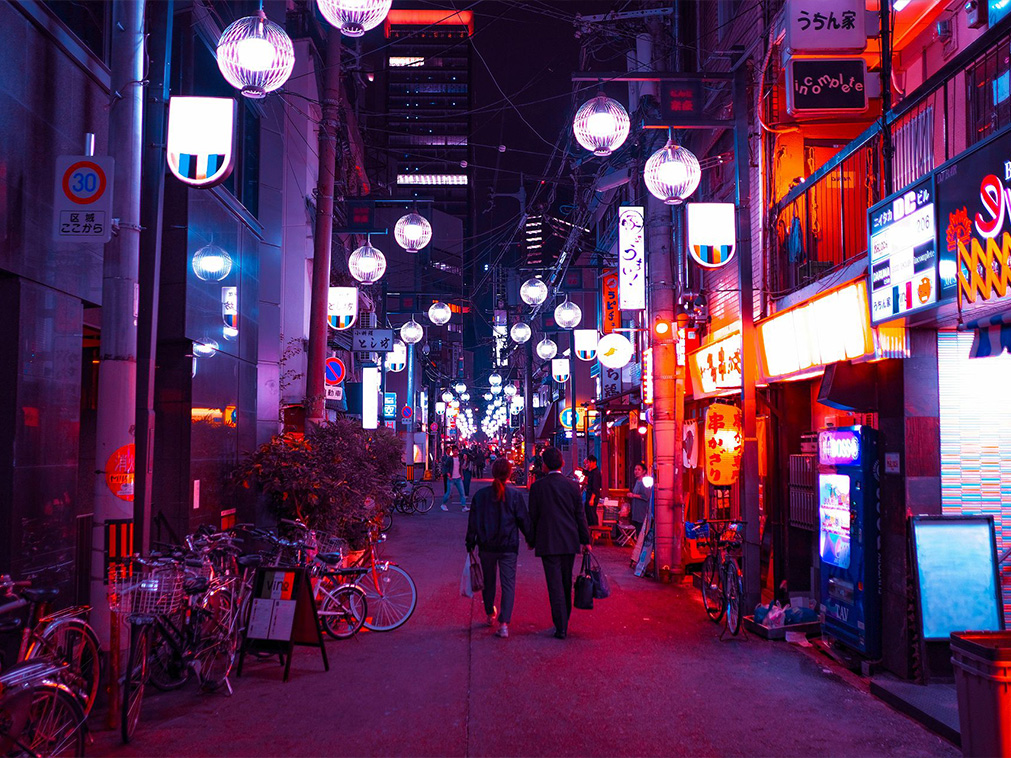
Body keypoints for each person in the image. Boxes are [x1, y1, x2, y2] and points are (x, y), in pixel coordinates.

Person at [527, 446, 591, 640]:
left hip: (547, 540)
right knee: (565, 581)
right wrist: (585, 540)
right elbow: (579, 515)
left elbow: (533, 516)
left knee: (554, 584)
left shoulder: (538, 487)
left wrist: (531, 540)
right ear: (562, 463)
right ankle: (564, 621)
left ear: (544, 465)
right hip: (569, 539)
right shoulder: (573, 485)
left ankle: (560, 625)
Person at [466, 458, 531, 639]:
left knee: (489, 581)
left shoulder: (481, 496)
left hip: (486, 545)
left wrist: (470, 542)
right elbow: (523, 520)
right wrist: (530, 539)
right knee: (508, 583)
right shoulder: (515, 496)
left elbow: (473, 522)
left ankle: (489, 613)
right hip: (508, 545)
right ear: (509, 474)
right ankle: (504, 624)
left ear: (493, 472)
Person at [626, 462, 652, 537]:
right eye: (635, 469)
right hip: (636, 512)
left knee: (641, 533)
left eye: (639, 470)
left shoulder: (645, 482)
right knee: (637, 532)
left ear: (644, 471)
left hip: (642, 512)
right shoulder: (637, 481)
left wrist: (633, 495)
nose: (636, 471)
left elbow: (646, 496)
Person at [441, 446, 468, 512]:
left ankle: (464, 506)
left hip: (458, 478)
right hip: (451, 479)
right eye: (454, 450)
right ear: (452, 451)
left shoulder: (459, 458)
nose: (456, 452)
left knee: (462, 493)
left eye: (457, 450)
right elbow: (445, 467)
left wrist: (462, 475)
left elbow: (461, 467)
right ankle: (443, 504)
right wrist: (448, 473)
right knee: (448, 493)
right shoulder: (450, 459)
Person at [582, 454, 602, 527]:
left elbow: (596, 487)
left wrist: (592, 499)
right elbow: (586, 473)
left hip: (592, 497)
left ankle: (595, 532)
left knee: (592, 515)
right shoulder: (591, 471)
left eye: (589, 462)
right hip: (589, 495)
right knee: (588, 514)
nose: (588, 464)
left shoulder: (596, 473)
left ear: (594, 462)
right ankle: (591, 531)